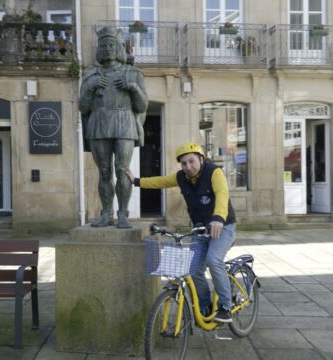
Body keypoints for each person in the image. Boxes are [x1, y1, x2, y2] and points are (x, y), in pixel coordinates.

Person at [127, 142, 236, 323]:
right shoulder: (181, 177)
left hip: (223, 227)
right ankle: (205, 306)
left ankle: (226, 306)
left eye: (192, 161)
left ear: (201, 159)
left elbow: (222, 193)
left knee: (213, 260)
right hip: (201, 228)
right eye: (184, 163)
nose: (188, 167)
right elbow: (161, 181)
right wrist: (136, 181)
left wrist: (218, 217)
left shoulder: (214, 172)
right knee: (194, 270)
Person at [79, 26, 148, 229]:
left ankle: (123, 214)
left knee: (123, 169)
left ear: (119, 48)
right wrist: (90, 89)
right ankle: (107, 213)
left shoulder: (133, 73)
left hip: (124, 122)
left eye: (111, 45)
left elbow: (142, 106)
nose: (107, 49)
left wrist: (133, 87)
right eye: (104, 45)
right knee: (105, 172)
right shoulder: (91, 76)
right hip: (99, 123)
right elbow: (83, 107)